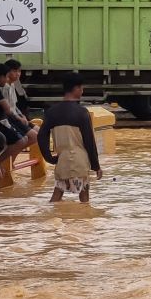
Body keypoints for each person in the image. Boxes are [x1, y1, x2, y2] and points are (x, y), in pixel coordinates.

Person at [37, 72, 102, 203]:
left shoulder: (52, 111)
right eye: (82, 88)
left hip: (62, 161)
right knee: (84, 200)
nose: (82, 91)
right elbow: (89, 142)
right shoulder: (82, 112)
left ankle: (52, 221)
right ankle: (83, 222)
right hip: (80, 161)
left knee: (56, 196)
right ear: (76, 89)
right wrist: (96, 166)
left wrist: (49, 158)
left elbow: (41, 136)